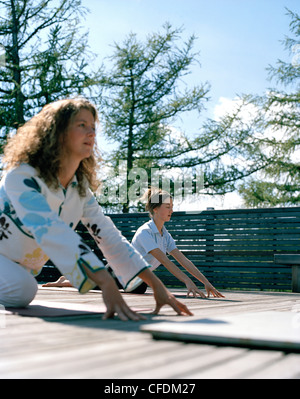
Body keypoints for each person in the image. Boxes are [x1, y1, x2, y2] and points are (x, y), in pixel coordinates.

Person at [0, 97, 193, 320]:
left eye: (93, 127)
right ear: (57, 131)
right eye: (81, 125)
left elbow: (108, 236)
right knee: (23, 290)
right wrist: (104, 281)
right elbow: (51, 230)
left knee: (22, 285)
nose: (91, 133)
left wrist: (157, 286)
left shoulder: (78, 189)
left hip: (17, 269)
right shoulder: (22, 177)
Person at [125, 188, 225, 299]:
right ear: (155, 209)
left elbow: (182, 260)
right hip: (119, 271)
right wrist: (187, 281)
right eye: (168, 207)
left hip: (138, 278)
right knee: (137, 286)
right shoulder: (145, 232)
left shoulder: (165, 235)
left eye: (172, 207)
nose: (171, 211)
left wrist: (206, 282)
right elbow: (165, 260)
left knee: (140, 285)